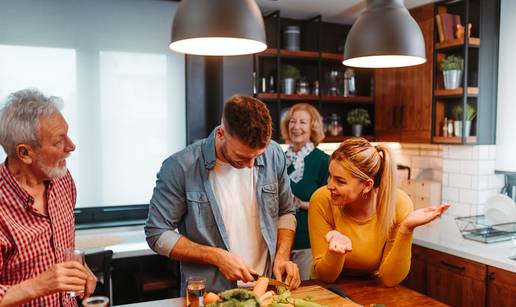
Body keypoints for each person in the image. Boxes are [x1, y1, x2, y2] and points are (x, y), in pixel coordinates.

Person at [145, 95, 301, 293]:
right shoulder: (180, 167)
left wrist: (282, 256)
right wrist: (216, 256)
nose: (251, 165)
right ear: (221, 134)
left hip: (266, 290)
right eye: (242, 157)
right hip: (211, 294)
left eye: (257, 156)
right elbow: (156, 233)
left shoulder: (275, 154)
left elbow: (286, 212)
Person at [0, 89, 96, 306]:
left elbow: (59, 247)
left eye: (67, 135)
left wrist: (80, 268)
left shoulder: (62, 179)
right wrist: (39, 285)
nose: (71, 146)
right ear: (25, 153)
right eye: (58, 141)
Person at [308, 137, 449, 286]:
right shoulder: (321, 200)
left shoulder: (398, 204)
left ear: (367, 185)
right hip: (325, 289)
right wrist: (335, 252)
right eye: (330, 176)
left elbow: (390, 279)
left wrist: (406, 229)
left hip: (372, 288)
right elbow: (326, 277)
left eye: (340, 181)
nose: (329, 185)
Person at [280, 103, 329, 281]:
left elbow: (331, 204)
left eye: (303, 122)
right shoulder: (280, 158)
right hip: (280, 242)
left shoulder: (323, 160)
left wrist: (301, 204)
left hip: (307, 241)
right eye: (292, 122)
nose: (296, 127)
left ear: (312, 127)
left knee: (305, 291)